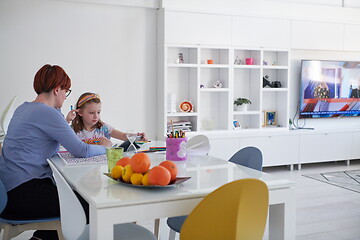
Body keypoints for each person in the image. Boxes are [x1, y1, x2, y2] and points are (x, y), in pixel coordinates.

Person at [0, 64, 109, 240]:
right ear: (57, 89)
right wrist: (106, 147)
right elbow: (81, 150)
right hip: (23, 194)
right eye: (67, 91)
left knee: (69, 193)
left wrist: (58, 110)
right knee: (91, 204)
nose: (66, 97)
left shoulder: (24, 108)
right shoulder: (47, 112)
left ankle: (42, 237)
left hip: (9, 191)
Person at [66, 92, 146, 145]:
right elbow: (61, 140)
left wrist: (137, 137)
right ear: (80, 112)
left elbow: (123, 136)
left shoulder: (103, 128)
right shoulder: (74, 130)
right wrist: (66, 121)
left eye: (98, 112)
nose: (96, 116)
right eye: (91, 113)